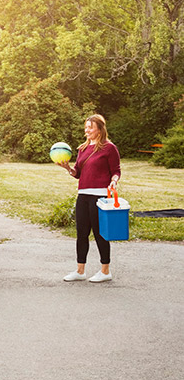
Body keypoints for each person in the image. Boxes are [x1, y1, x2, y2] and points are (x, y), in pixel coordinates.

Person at [56, 114, 121, 282]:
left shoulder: (109, 148)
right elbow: (77, 173)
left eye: (90, 127)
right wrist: (68, 168)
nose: (87, 130)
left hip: (99, 196)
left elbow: (116, 171)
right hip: (83, 195)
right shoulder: (82, 149)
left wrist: (113, 182)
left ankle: (105, 271)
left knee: (100, 234)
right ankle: (80, 271)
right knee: (81, 234)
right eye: (86, 127)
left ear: (99, 129)